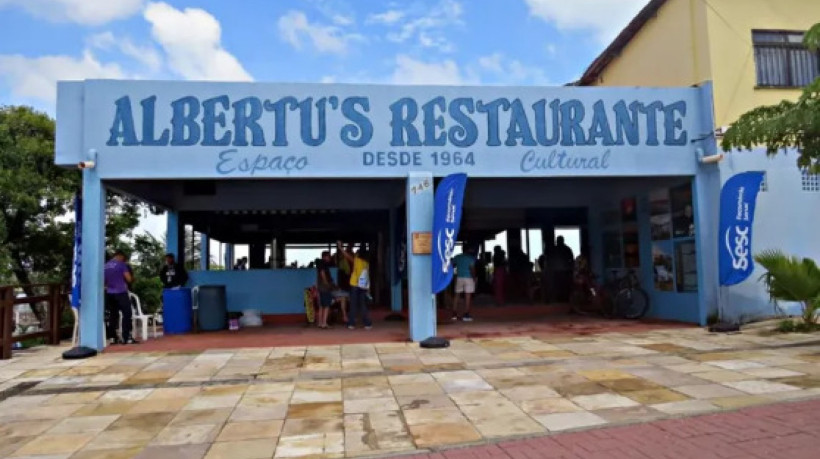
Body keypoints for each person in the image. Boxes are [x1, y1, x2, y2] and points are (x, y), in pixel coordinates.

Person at [104, 250, 137, 344]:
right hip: (121, 292)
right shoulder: (121, 264)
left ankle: (113, 337)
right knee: (127, 314)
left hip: (110, 293)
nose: (124, 260)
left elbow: (104, 281)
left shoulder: (105, 266)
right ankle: (127, 337)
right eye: (124, 258)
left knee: (113, 315)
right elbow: (129, 279)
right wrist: (132, 279)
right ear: (120, 256)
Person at [338, 241, 372, 330]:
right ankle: (367, 324)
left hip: (354, 284)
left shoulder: (357, 260)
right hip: (363, 286)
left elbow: (347, 256)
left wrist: (341, 248)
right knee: (363, 305)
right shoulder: (366, 263)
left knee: (353, 305)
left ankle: (351, 324)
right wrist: (368, 288)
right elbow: (367, 275)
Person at [451, 247, 477, 322]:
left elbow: (452, 265)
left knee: (457, 295)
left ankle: (454, 314)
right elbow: (472, 269)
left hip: (459, 277)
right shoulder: (471, 258)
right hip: (468, 278)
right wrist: (474, 278)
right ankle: (466, 314)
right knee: (468, 296)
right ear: (469, 250)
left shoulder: (457, 257)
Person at [316, 251, 335, 329]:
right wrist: (327, 283)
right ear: (325, 257)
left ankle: (320, 323)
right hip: (324, 287)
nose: (329, 258)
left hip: (321, 287)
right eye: (328, 256)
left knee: (321, 306)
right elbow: (323, 274)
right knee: (326, 306)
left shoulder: (320, 264)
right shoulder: (323, 264)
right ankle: (324, 323)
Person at [554, 236, 575, 302]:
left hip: (562, 271)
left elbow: (571, 260)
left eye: (558, 240)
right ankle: (563, 298)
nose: (558, 242)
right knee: (562, 286)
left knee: (562, 286)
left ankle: (563, 298)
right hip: (563, 270)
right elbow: (571, 260)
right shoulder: (567, 249)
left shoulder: (556, 249)